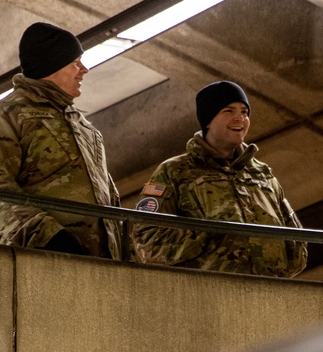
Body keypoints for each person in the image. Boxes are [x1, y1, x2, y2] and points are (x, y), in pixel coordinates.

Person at [0, 22, 122, 258]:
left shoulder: (81, 124)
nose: (84, 70)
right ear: (53, 66)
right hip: (41, 260)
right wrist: (49, 237)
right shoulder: (5, 118)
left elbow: (109, 196)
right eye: (75, 63)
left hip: (102, 265)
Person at [130, 81, 307, 278]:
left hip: (270, 290)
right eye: (228, 111)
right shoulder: (175, 171)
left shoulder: (262, 173)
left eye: (244, 112)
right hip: (209, 290)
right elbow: (146, 238)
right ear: (208, 119)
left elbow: (295, 240)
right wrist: (208, 237)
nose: (239, 118)